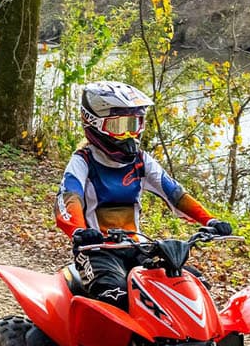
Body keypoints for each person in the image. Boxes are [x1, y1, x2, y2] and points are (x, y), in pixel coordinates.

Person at [53, 80, 233, 306]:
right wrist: (79, 231)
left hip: (137, 246)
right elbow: (69, 200)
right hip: (95, 250)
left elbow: (175, 194)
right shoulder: (83, 162)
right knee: (114, 296)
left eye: (135, 124)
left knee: (193, 285)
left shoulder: (141, 160)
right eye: (119, 127)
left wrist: (211, 220)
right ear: (95, 124)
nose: (129, 135)